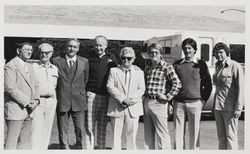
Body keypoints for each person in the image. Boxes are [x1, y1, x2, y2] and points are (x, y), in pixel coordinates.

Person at [173, 38, 212, 149]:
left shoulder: (201, 64)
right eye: (185, 48)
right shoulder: (177, 64)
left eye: (189, 48)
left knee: (194, 133)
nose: (187, 51)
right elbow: (170, 82)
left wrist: (202, 100)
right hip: (178, 103)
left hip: (195, 103)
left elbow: (208, 84)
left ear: (195, 50)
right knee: (178, 133)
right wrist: (172, 100)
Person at [143, 43, 182, 149]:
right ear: (148, 54)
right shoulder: (148, 68)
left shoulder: (166, 67)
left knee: (162, 134)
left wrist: (168, 97)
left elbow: (177, 84)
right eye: (151, 52)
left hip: (159, 103)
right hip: (147, 102)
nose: (153, 54)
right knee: (148, 135)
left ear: (160, 54)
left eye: (156, 52)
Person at [52, 38, 89, 149]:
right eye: (70, 46)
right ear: (66, 47)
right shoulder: (56, 61)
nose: (71, 49)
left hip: (79, 101)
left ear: (78, 49)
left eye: (74, 47)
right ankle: (64, 148)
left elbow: (85, 80)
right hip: (62, 100)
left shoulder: (84, 62)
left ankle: (80, 148)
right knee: (62, 130)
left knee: (80, 129)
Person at [106, 47, 145, 149]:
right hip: (117, 107)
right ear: (120, 58)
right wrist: (122, 99)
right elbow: (110, 87)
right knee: (115, 137)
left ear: (133, 59)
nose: (126, 60)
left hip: (133, 108)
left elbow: (141, 89)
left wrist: (129, 100)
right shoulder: (113, 71)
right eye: (124, 58)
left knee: (131, 137)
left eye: (129, 58)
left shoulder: (139, 72)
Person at [4, 41, 40, 149]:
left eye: (31, 50)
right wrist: (28, 101)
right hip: (16, 110)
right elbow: (10, 87)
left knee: (24, 144)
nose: (30, 52)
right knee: (11, 143)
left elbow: (36, 85)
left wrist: (36, 101)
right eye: (26, 50)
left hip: (30, 111)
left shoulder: (30, 66)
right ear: (18, 51)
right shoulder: (10, 65)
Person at [85, 35, 117, 149]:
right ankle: (89, 149)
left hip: (106, 97)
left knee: (102, 127)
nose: (98, 47)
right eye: (96, 45)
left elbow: (117, 73)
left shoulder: (112, 58)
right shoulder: (89, 58)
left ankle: (101, 149)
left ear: (106, 46)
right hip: (91, 95)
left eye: (101, 45)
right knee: (89, 126)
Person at [212, 42, 244, 149]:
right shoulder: (217, 66)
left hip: (230, 107)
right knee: (221, 136)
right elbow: (218, 88)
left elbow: (241, 88)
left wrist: (238, 108)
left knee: (231, 136)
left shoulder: (235, 66)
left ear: (227, 52)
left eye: (221, 52)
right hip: (218, 107)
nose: (218, 55)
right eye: (216, 53)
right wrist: (213, 107)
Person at [31, 42, 58, 149]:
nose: (44, 55)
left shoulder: (55, 68)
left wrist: (54, 100)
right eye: (42, 52)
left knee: (47, 131)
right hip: (38, 102)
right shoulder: (33, 67)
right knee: (35, 132)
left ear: (51, 53)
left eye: (47, 53)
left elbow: (55, 86)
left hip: (51, 102)